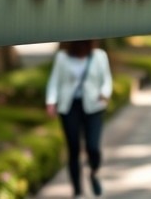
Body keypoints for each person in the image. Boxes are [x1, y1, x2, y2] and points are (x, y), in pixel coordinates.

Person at [46, 40, 114, 198]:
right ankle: (77, 189)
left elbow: (107, 80)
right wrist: (51, 101)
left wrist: (104, 94)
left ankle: (94, 172)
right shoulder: (62, 57)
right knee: (74, 148)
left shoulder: (99, 56)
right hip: (70, 107)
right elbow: (55, 80)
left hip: (94, 107)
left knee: (93, 146)